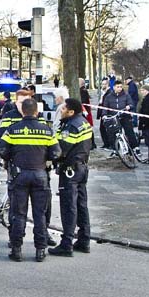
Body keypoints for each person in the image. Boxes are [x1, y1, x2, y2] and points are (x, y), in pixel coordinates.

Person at [0, 98, 61, 262]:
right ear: (36, 112)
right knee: (39, 214)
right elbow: (56, 152)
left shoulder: (13, 129)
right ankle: (40, 250)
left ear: (23, 112)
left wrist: (13, 157)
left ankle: (17, 250)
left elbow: (2, 149)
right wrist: (45, 158)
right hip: (40, 175)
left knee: (19, 214)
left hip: (19, 175)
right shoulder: (46, 130)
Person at [49, 98, 92, 257]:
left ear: (71, 111)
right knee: (81, 205)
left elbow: (60, 150)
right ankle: (84, 239)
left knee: (69, 206)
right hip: (82, 168)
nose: (61, 110)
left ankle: (66, 244)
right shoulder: (83, 122)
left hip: (70, 171)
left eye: (64, 108)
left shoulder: (71, 126)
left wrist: (49, 157)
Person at [103, 81, 138, 151]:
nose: (119, 88)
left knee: (129, 131)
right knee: (113, 134)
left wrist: (129, 106)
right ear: (114, 87)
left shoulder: (126, 95)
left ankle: (135, 147)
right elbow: (105, 107)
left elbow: (131, 104)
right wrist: (104, 115)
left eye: (121, 87)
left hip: (125, 116)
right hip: (114, 117)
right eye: (118, 87)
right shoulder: (109, 97)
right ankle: (115, 149)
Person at [96, 79, 111, 148]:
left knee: (104, 129)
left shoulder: (109, 93)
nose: (102, 85)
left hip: (106, 114)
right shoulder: (104, 92)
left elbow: (106, 104)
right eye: (102, 84)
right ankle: (106, 144)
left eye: (104, 84)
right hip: (103, 114)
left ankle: (108, 144)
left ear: (107, 85)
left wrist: (104, 114)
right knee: (102, 129)